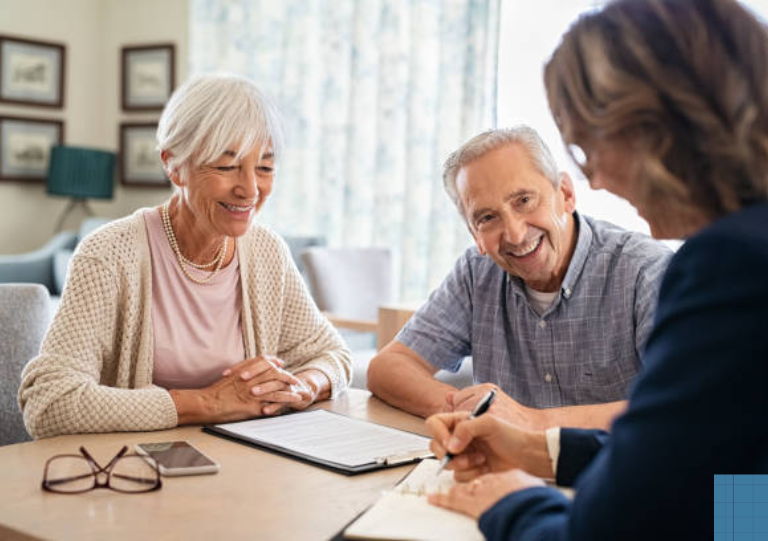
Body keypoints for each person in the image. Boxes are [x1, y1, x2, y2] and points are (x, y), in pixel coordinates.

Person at [425, 0, 768, 539]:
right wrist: (541, 452)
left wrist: (514, 503)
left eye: (589, 144)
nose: (599, 179)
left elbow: (608, 529)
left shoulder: (728, 267)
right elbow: (734, 478)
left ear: (656, 126)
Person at [19, 74, 352, 438]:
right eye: (227, 167)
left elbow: (333, 355)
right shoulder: (108, 255)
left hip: (247, 467)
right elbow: (49, 404)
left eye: (265, 168)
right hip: (136, 472)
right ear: (173, 164)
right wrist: (209, 403)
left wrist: (302, 387)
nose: (250, 190)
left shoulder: (266, 251)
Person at [367, 126, 671, 430]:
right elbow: (388, 367)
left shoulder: (647, 271)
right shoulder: (477, 273)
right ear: (476, 235)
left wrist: (529, 421)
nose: (514, 233)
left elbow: (682, 406)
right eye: (487, 218)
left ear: (565, 194)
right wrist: (470, 412)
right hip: (508, 474)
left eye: (524, 200)